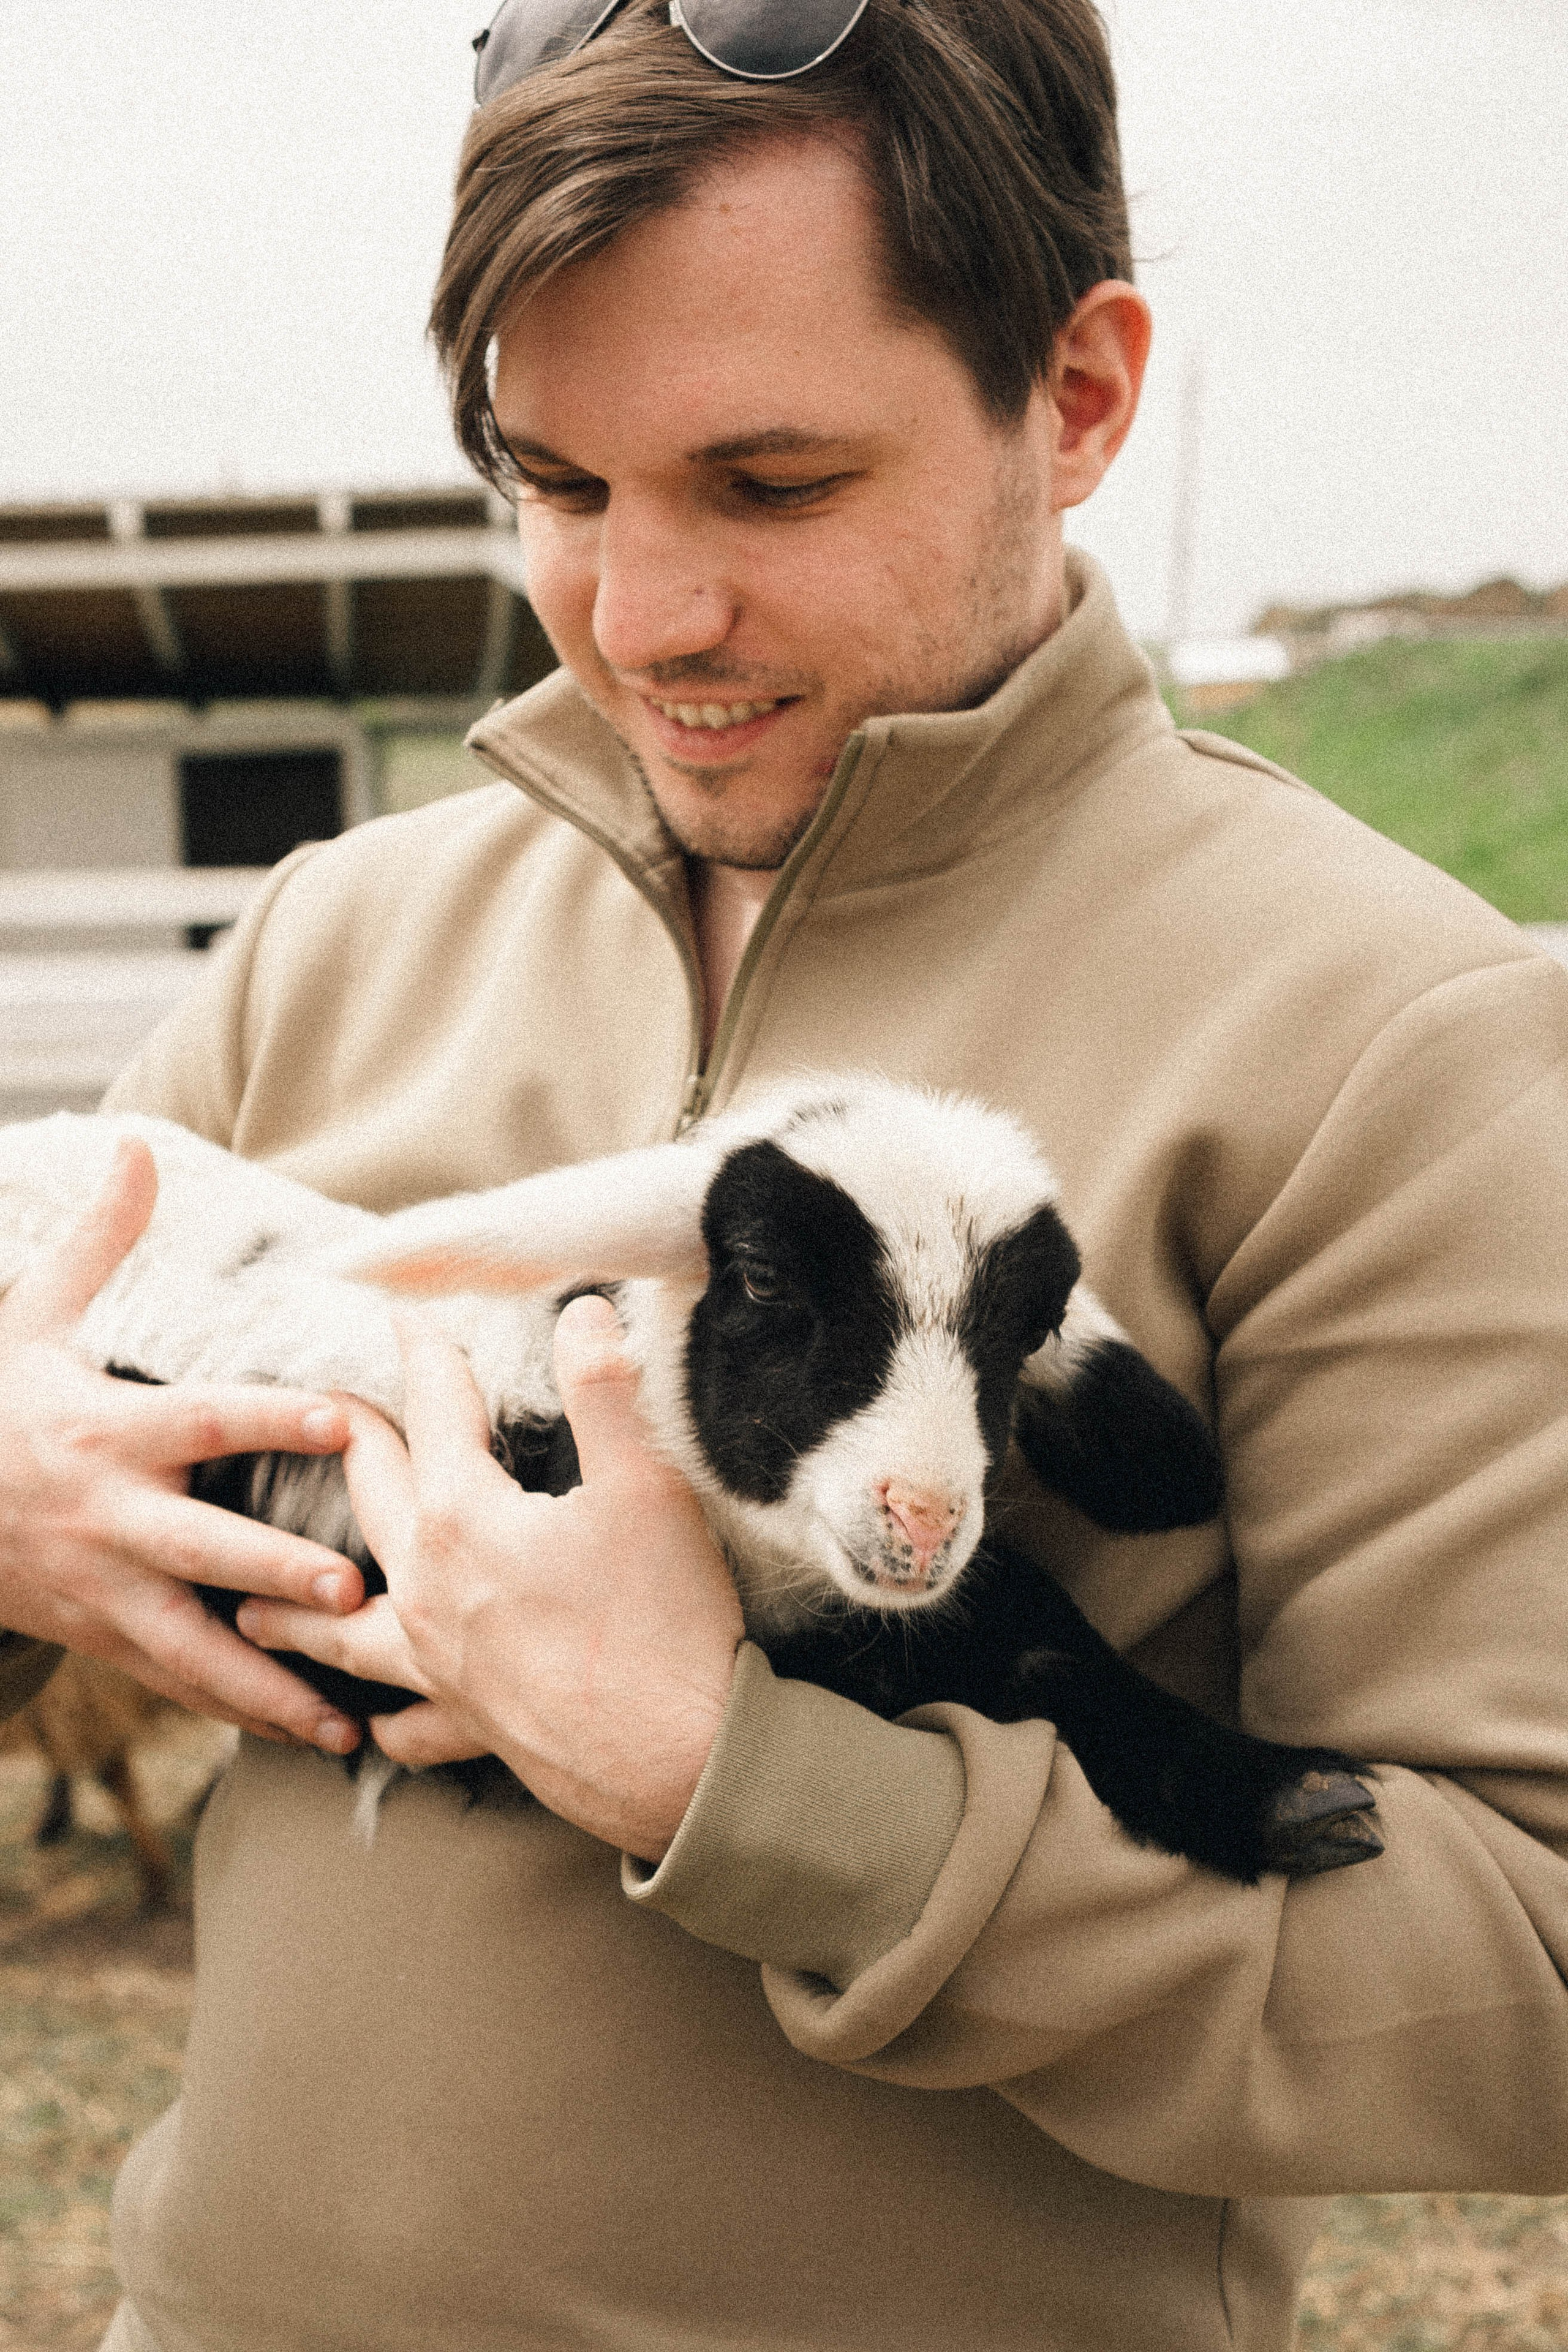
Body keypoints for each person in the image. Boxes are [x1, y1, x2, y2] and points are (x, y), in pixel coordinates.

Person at [3, 2, 1568, 2345]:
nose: (643, 618)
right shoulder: (339, 934)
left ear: (1079, 395)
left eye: (773, 484)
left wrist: (736, 1783)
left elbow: (1529, 1972)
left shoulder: (1389, 1036)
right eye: (556, 482)